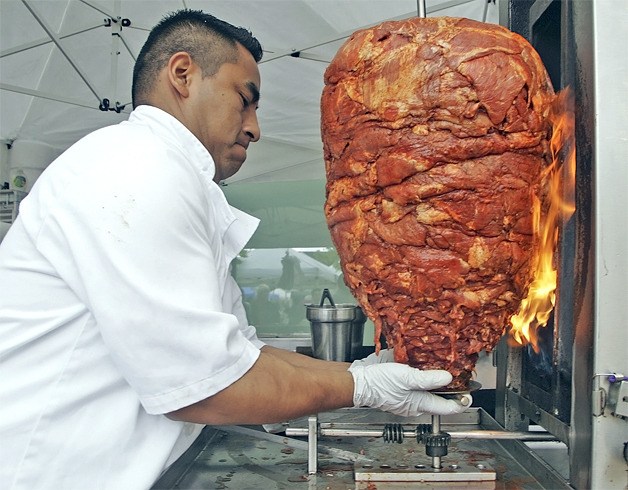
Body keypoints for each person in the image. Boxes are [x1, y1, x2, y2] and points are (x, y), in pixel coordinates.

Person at [0, 10, 469, 489]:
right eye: (245, 101)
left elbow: (241, 356)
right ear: (182, 75)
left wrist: (358, 372)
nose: (255, 129)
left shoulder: (161, 172)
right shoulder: (134, 173)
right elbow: (204, 386)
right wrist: (361, 387)